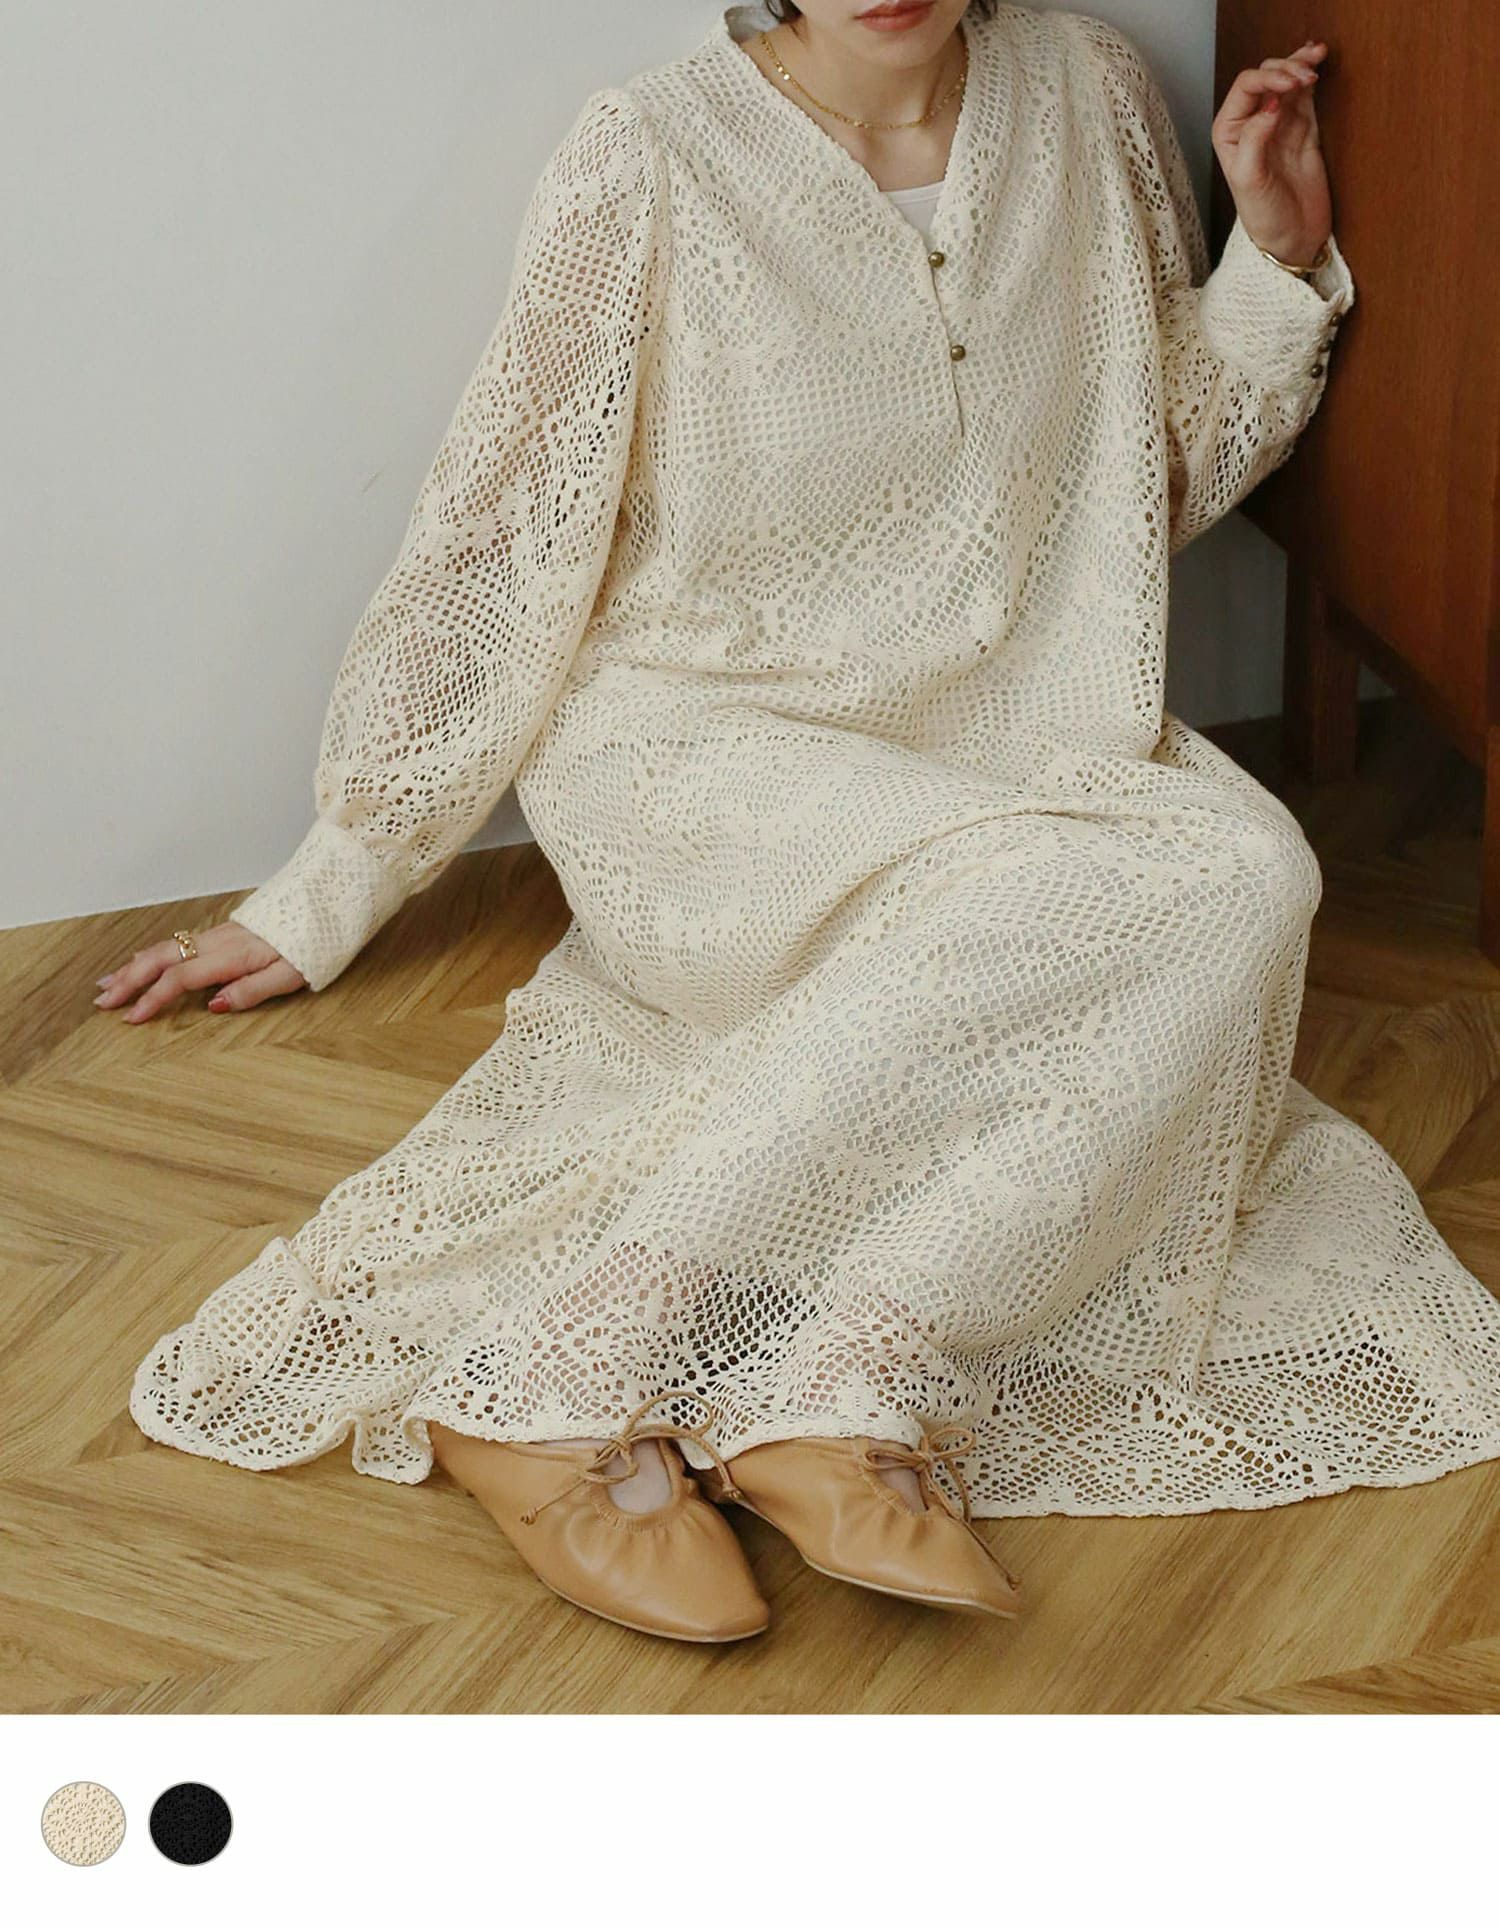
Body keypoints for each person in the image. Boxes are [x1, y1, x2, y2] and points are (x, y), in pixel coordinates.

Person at [108, 3, 1500, 1645]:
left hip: (1004, 749)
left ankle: (843, 1368)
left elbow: (1140, 484)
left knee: (1257, 867)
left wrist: (1274, 255)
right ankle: (553, 1369)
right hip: (695, 757)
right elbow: (504, 529)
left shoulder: (1091, 96)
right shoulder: (648, 153)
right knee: (1086, 902)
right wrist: (334, 874)